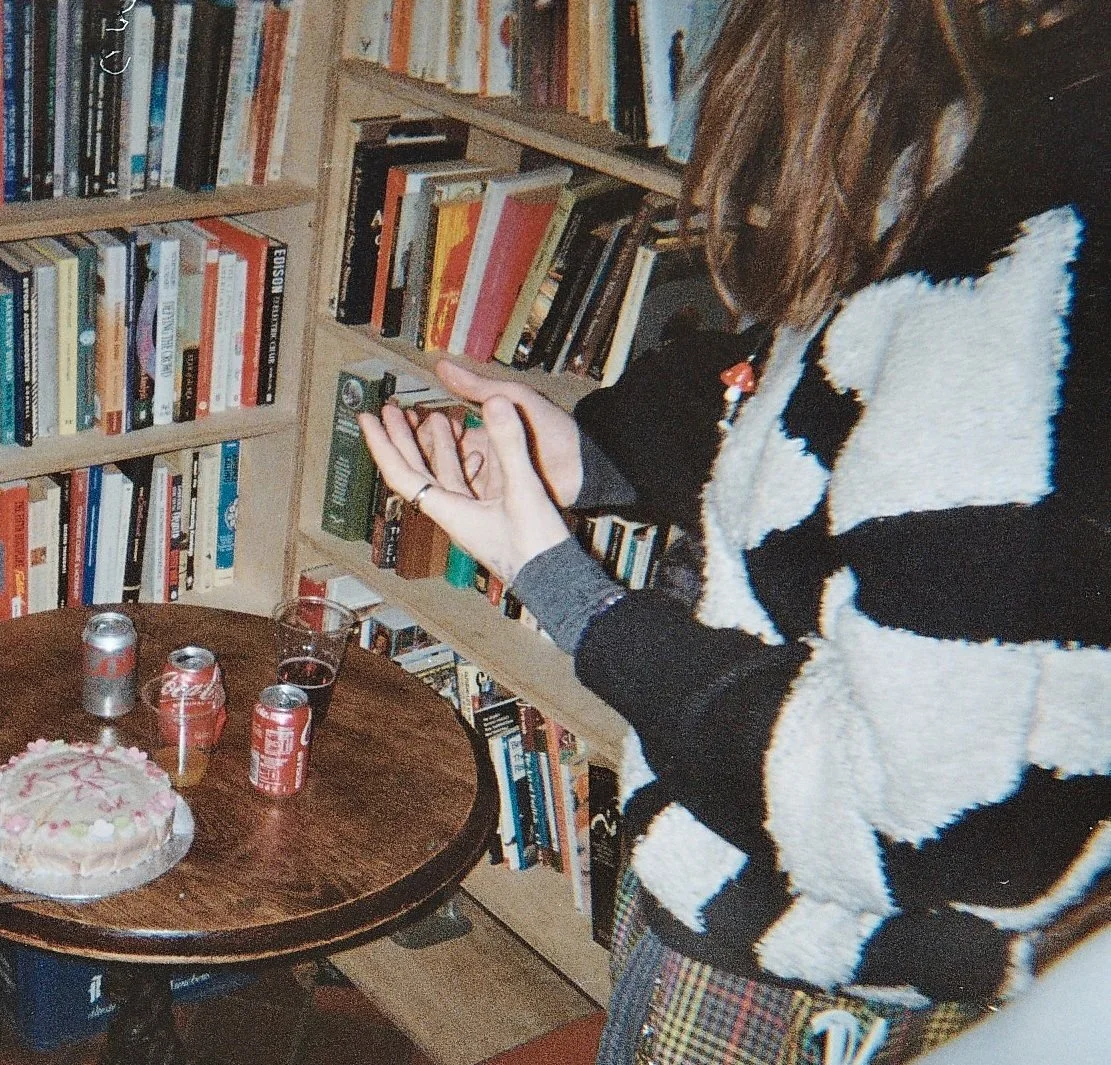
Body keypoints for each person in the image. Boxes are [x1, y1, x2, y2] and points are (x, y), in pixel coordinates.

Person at [359, 1, 1108, 1061]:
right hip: (785, 923)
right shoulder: (990, 137)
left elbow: (934, 823)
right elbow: (814, 394)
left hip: (818, 984)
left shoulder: (1030, 244)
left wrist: (566, 589)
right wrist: (588, 455)